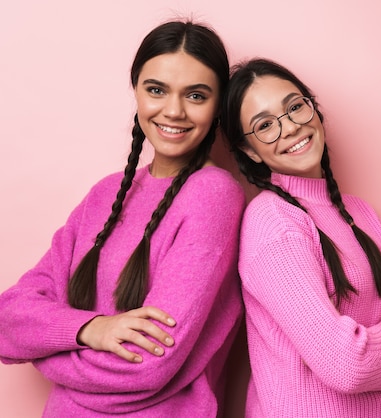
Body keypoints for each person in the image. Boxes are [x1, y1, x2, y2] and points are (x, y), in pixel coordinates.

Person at [0, 20, 245, 417]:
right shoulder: (107, 193)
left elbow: (147, 365)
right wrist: (90, 329)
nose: (174, 111)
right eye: (156, 90)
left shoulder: (213, 196)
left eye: (196, 95)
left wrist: (46, 349)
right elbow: (8, 317)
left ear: (217, 106)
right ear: (136, 91)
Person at [221, 58, 381, 417]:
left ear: (313, 109)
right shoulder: (273, 222)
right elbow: (347, 364)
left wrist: (370, 353)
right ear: (248, 151)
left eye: (295, 107)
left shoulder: (361, 214)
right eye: (265, 126)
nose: (291, 128)